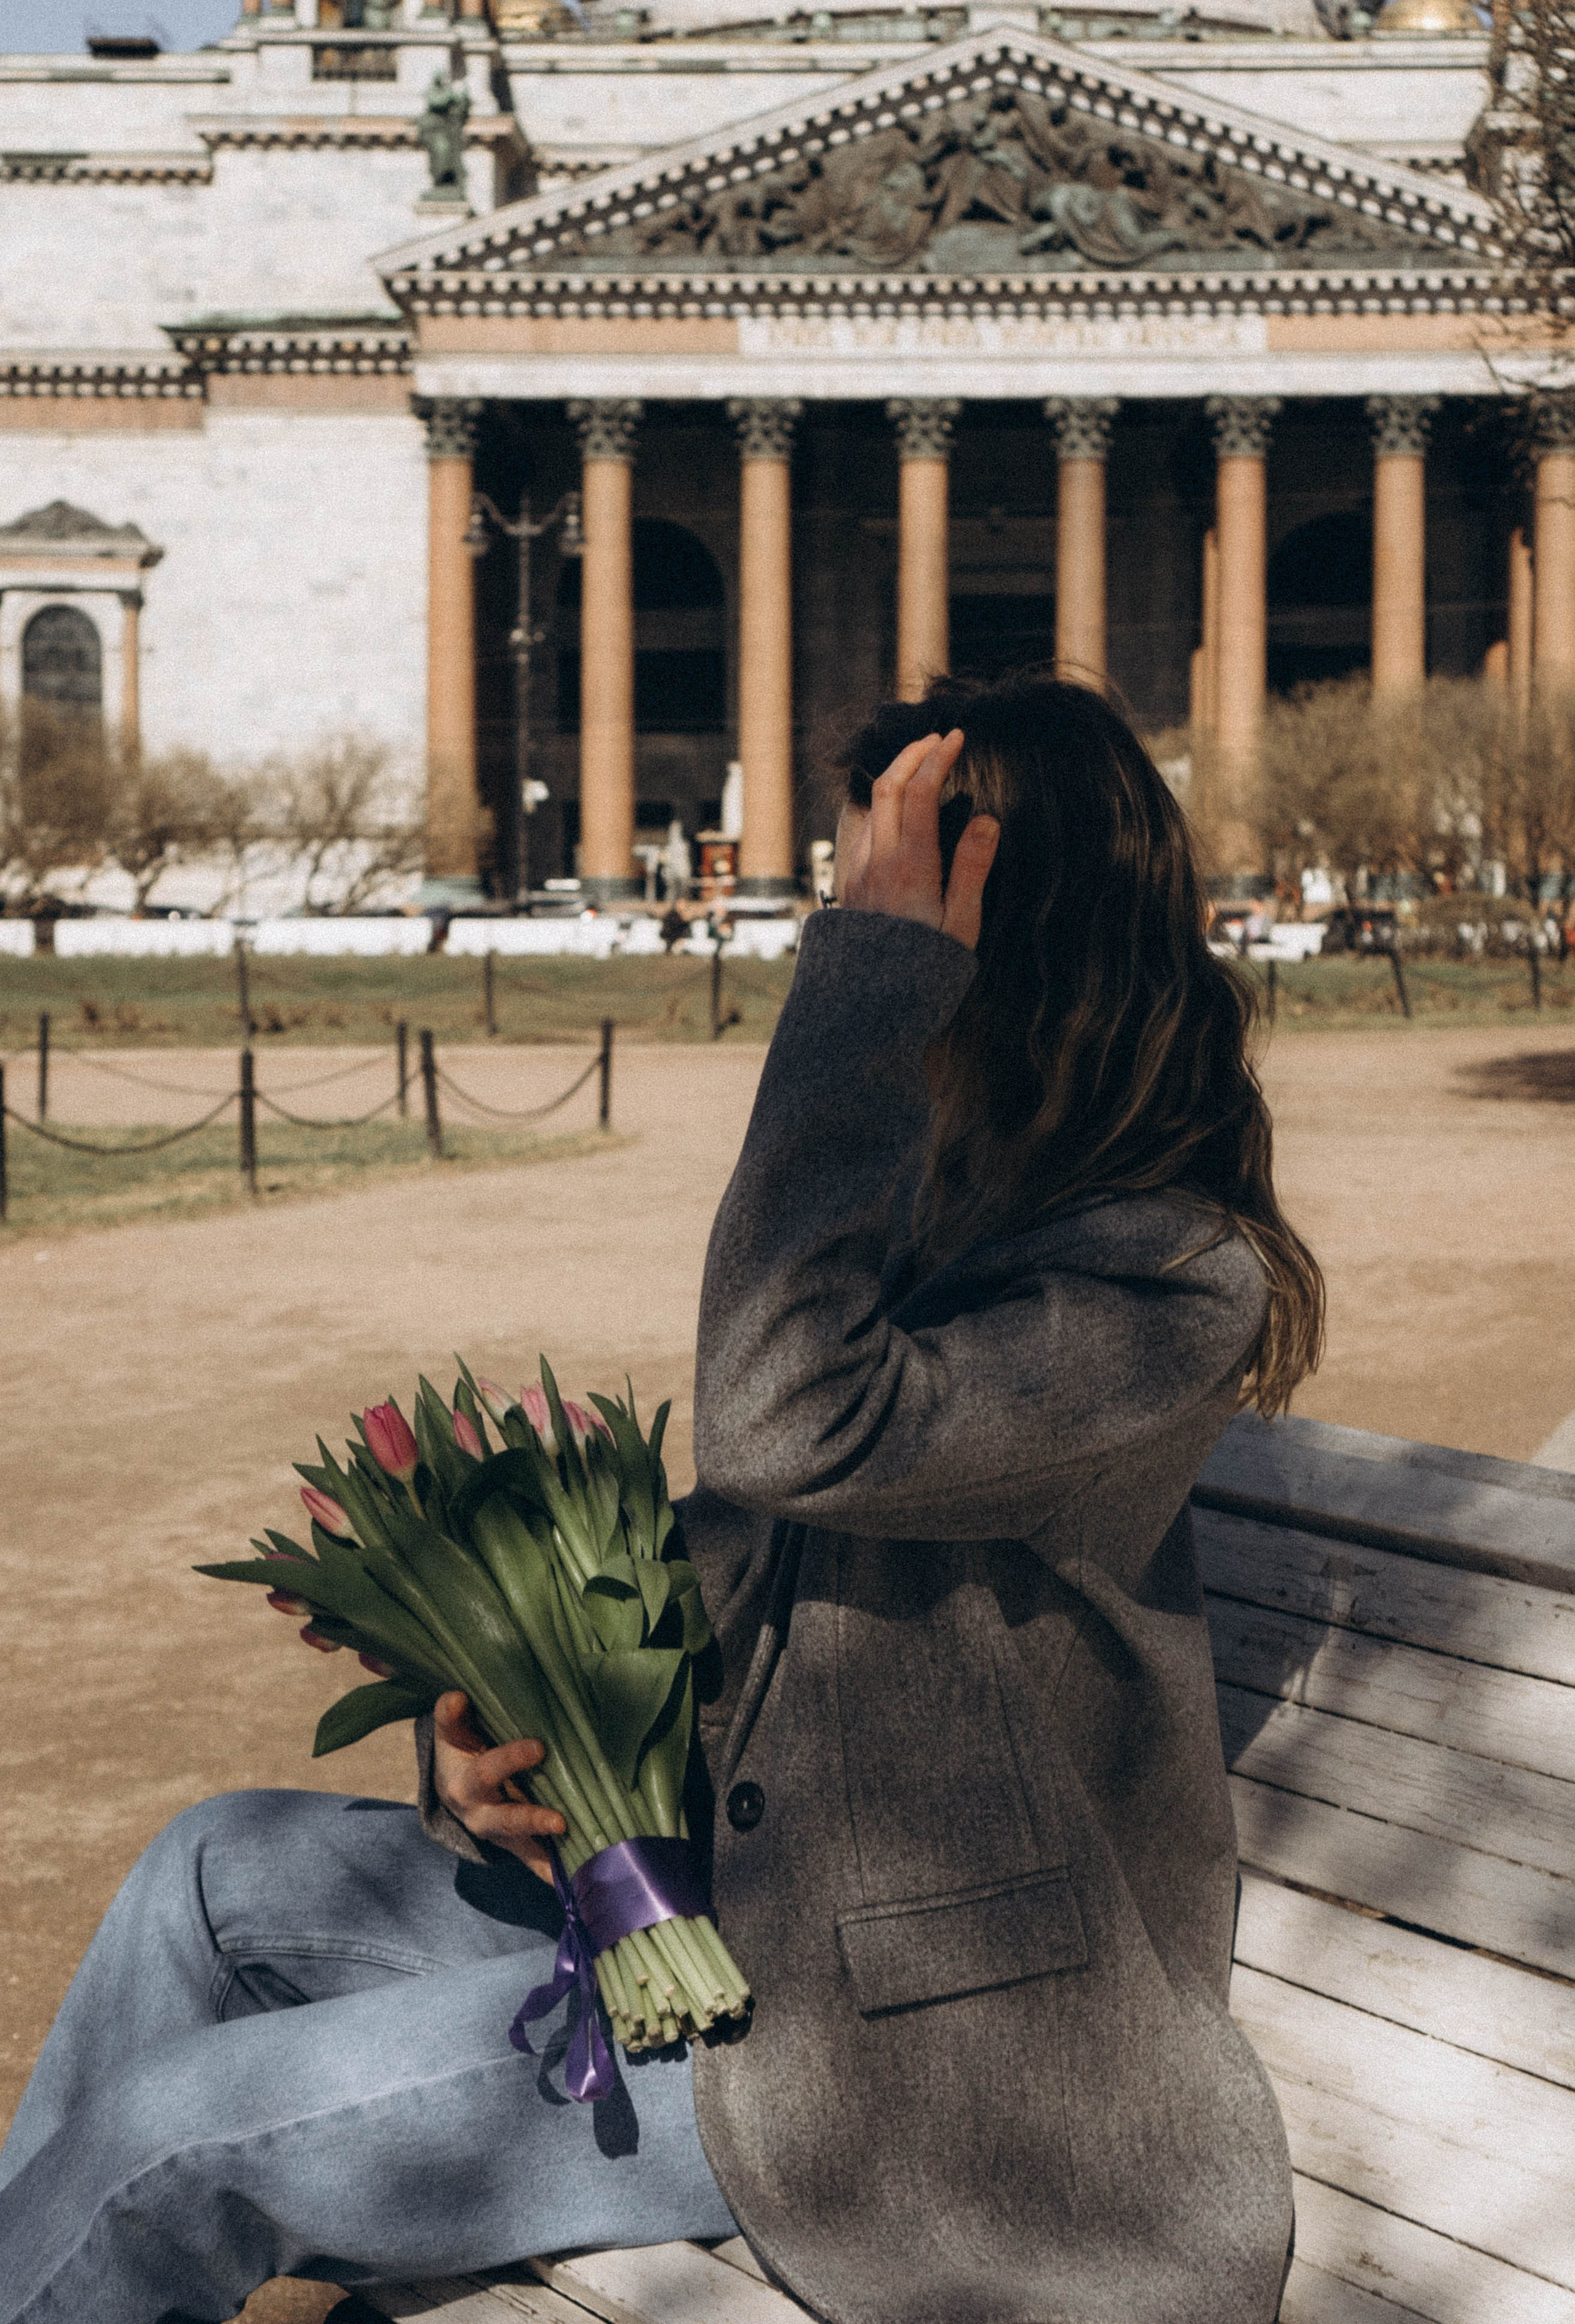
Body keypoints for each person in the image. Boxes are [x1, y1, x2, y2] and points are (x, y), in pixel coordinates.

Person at [0, 672, 1321, 2324]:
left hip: (914, 2078)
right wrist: (500, 1729)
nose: (832, 932)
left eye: (879, 901)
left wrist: (870, 993)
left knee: (170, 2145)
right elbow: (737, 1562)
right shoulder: (926, 1214)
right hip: (747, 1943)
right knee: (208, 1870)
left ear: (1013, 923)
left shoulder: (1165, 1281)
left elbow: (785, 1421)